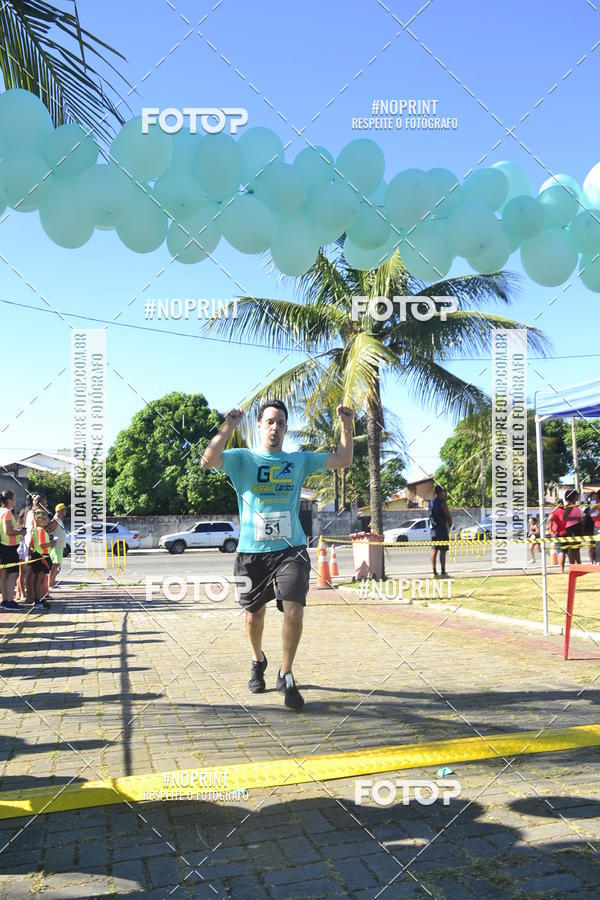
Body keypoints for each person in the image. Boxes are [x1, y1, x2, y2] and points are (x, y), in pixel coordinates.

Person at [201, 399, 353, 712]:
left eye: (281, 423)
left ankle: (286, 673)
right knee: (254, 616)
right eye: (270, 421)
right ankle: (258, 660)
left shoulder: (298, 461)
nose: (275, 427)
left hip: (291, 549)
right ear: (259, 426)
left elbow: (343, 459)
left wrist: (346, 426)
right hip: (251, 553)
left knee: (294, 609)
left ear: (285, 429)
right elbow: (208, 460)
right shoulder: (242, 459)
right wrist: (228, 426)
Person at [0, 490, 26, 611]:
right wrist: (20, 532)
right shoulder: (7, 512)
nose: (16, 500)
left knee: (4, 574)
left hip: (3, 546)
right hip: (9, 546)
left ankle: (5, 600)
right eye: (14, 498)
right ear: (9, 500)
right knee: (12, 574)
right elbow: (8, 531)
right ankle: (10, 601)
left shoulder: (1, 511)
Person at [29, 509, 52, 609]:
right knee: (40, 579)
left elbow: (31, 545)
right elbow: (42, 545)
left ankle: (38, 599)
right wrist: (51, 544)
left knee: (39, 579)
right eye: (43, 518)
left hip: (37, 555)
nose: (46, 520)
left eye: (46, 518)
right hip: (42, 556)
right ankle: (37, 600)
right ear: (37, 520)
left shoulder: (35, 530)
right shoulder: (41, 530)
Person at [429, 485, 452, 578]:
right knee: (443, 550)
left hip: (433, 529)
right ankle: (443, 571)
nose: (444, 494)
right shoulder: (442, 502)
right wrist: (450, 522)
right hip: (442, 528)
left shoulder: (431, 502)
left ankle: (434, 572)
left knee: (434, 549)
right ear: (440, 493)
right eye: (443, 492)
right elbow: (447, 514)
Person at [48, 503, 67, 589]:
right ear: (59, 511)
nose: (65, 511)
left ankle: (52, 583)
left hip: (60, 546)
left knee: (57, 565)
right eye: (64, 510)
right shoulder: (55, 520)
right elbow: (50, 529)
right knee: (55, 565)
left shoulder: (59, 520)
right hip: (56, 546)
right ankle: (51, 584)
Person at [562, 489, 583, 566]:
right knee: (572, 547)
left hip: (577, 526)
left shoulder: (575, 505)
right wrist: (576, 518)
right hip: (571, 527)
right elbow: (564, 518)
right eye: (577, 495)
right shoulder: (569, 505)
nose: (578, 496)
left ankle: (579, 564)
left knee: (577, 547)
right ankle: (572, 565)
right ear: (573, 496)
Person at [546, 499, 566, 573]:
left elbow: (549, 519)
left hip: (557, 533)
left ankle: (561, 569)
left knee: (560, 551)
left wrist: (550, 530)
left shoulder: (555, 511)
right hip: (565, 533)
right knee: (564, 551)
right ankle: (564, 567)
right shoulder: (565, 511)